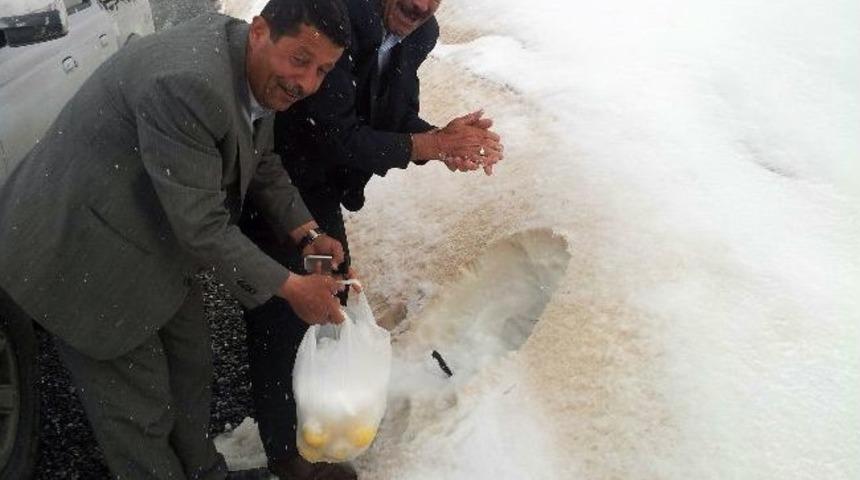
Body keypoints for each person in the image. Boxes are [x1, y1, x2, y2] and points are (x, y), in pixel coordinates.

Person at [0, 1, 353, 478]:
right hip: (84, 249)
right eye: (300, 60)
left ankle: (206, 473)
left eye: (323, 70)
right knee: (139, 411)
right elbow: (203, 225)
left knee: (191, 369)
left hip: (154, 235)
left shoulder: (250, 67)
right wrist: (292, 288)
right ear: (260, 31)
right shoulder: (188, 84)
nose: (307, 83)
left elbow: (259, 156)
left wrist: (306, 232)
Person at [239, 1, 504, 478]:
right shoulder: (335, 17)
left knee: (327, 291)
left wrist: (444, 139)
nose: (420, 4)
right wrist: (431, 145)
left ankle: (311, 407)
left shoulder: (419, 33)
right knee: (283, 310)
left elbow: (393, 116)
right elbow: (331, 134)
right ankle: (285, 453)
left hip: (318, 188)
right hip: (273, 177)